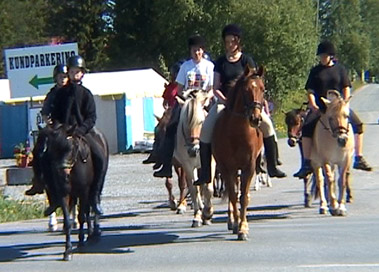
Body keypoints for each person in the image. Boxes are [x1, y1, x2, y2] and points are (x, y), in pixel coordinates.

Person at [193, 24, 286, 186]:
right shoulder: (220, 62)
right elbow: (216, 87)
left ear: (238, 42)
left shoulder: (246, 60)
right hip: (225, 103)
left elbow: (255, 83)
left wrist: (257, 103)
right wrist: (225, 101)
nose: (229, 45)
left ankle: (272, 165)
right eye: (227, 42)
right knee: (206, 129)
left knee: (268, 126)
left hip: (248, 104)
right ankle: (206, 172)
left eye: (232, 42)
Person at [294, 41, 372, 178]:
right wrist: (313, 105)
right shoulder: (315, 71)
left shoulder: (340, 70)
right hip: (321, 107)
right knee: (306, 127)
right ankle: (306, 162)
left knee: (358, 124)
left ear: (330, 56)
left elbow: (346, 87)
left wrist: (346, 102)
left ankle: (358, 157)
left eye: (324, 55)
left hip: (338, 107)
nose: (322, 58)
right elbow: (310, 91)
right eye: (321, 56)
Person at [46, 55, 108, 215]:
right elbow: (55, 114)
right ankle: (53, 198)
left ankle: (95, 197)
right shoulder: (61, 94)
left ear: (82, 74)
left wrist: (80, 130)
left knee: (100, 156)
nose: (74, 74)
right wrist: (59, 128)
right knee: (46, 157)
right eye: (72, 71)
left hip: (83, 131)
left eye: (77, 72)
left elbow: (91, 117)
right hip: (64, 131)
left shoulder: (86, 94)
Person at [153, 35, 214, 178]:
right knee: (170, 126)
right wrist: (185, 99)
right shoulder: (186, 67)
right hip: (187, 102)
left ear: (203, 50)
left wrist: (205, 100)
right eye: (194, 50)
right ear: (190, 51)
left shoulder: (209, 66)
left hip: (205, 101)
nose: (196, 52)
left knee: (221, 123)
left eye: (199, 50)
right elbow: (179, 88)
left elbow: (212, 88)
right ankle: (166, 165)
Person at [25, 64, 69, 196]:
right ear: (56, 78)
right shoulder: (52, 93)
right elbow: (45, 110)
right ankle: (38, 180)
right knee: (38, 149)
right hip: (55, 126)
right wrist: (46, 118)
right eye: (60, 76)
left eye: (65, 76)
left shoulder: (73, 91)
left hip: (72, 125)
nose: (62, 79)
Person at [142, 62, 181, 165]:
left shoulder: (183, 86)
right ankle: (156, 152)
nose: (175, 75)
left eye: (177, 73)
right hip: (170, 111)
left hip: (182, 109)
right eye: (174, 74)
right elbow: (165, 102)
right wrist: (167, 107)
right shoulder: (170, 87)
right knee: (158, 129)